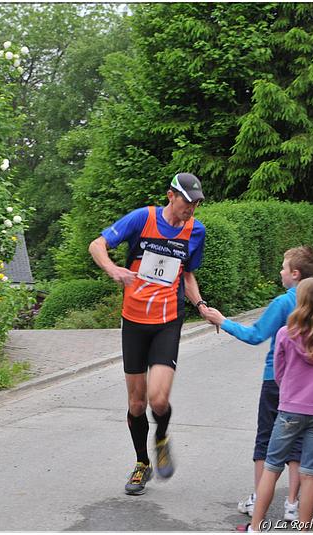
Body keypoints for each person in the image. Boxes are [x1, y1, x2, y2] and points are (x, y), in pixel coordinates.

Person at [89, 172, 209, 495]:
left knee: (158, 399)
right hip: (134, 321)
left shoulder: (196, 231)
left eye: (197, 203)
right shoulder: (143, 219)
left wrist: (201, 305)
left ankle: (162, 438)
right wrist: (113, 269)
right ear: (171, 196)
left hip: (168, 320)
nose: (192, 209)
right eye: (188, 201)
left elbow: (187, 276)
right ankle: (142, 463)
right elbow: (97, 244)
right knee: (137, 403)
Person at [204, 246, 313, 522]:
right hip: (307, 385)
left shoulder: (283, 303)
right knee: (298, 442)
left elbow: (256, 335)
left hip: (276, 380)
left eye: (283, 267)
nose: (280, 271)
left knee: (266, 440)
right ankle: (293, 503)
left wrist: (223, 321)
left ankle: (259, 497)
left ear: (294, 273)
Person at [246, 277, 313, 532]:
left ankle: (256, 527)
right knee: (310, 473)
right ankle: (304, 529)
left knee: (272, 467)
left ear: (300, 302)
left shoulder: (285, 334)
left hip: (289, 410)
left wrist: (291, 391)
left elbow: (278, 373)